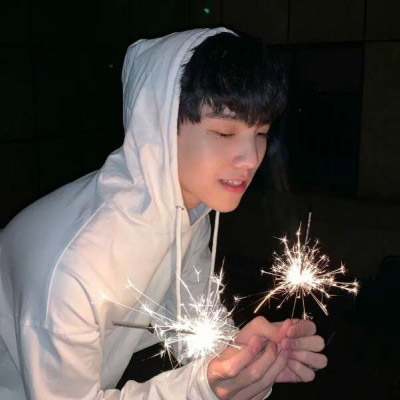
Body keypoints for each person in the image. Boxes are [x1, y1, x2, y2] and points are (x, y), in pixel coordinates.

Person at [0, 28, 327, 399]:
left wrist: (248, 361)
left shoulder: (188, 212)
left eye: (261, 133)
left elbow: (193, 323)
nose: (251, 158)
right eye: (224, 133)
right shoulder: (75, 267)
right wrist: (203, 387)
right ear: (158, 125)